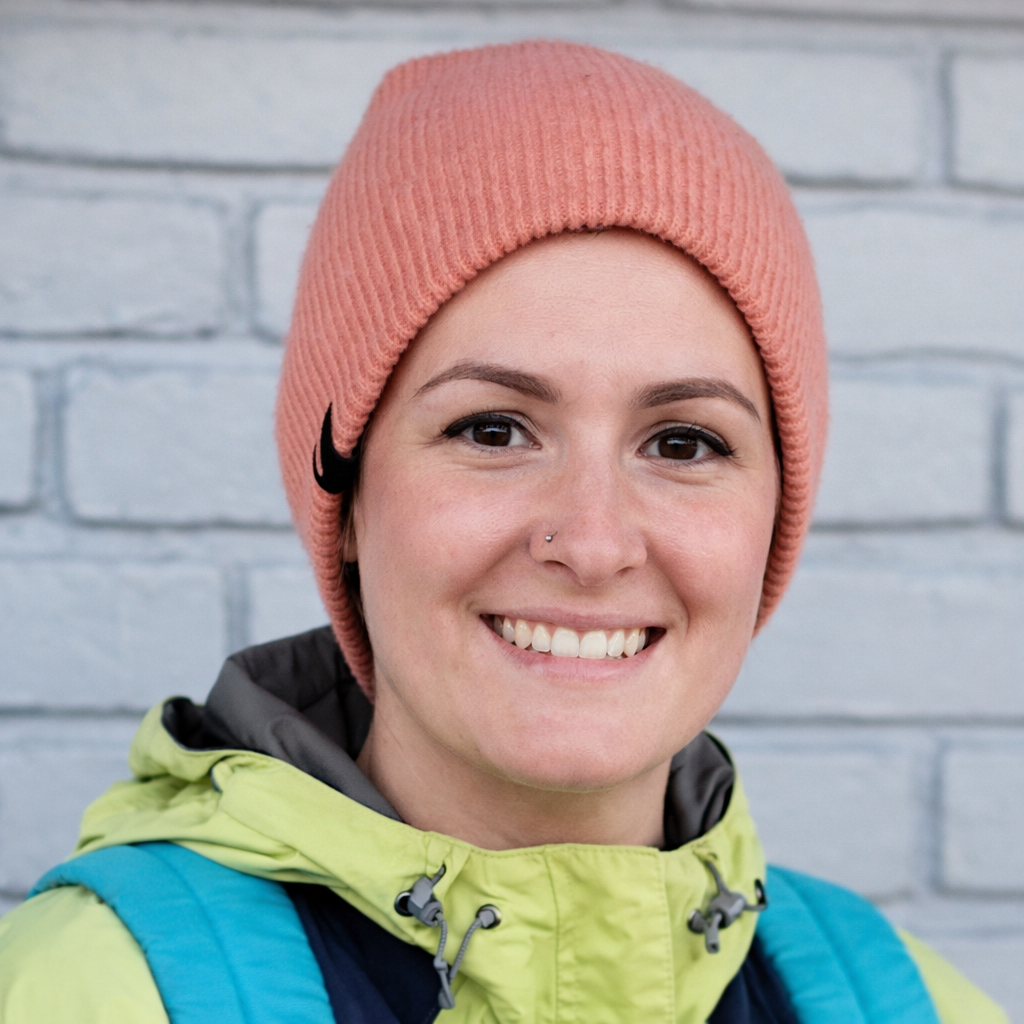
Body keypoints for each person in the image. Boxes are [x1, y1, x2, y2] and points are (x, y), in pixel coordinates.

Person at [0, 40, 1007, 1024]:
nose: (594, 539)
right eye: (492, 429)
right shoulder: (94, 990)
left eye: (685, 442)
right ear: (345, 496)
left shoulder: (905, 1001)